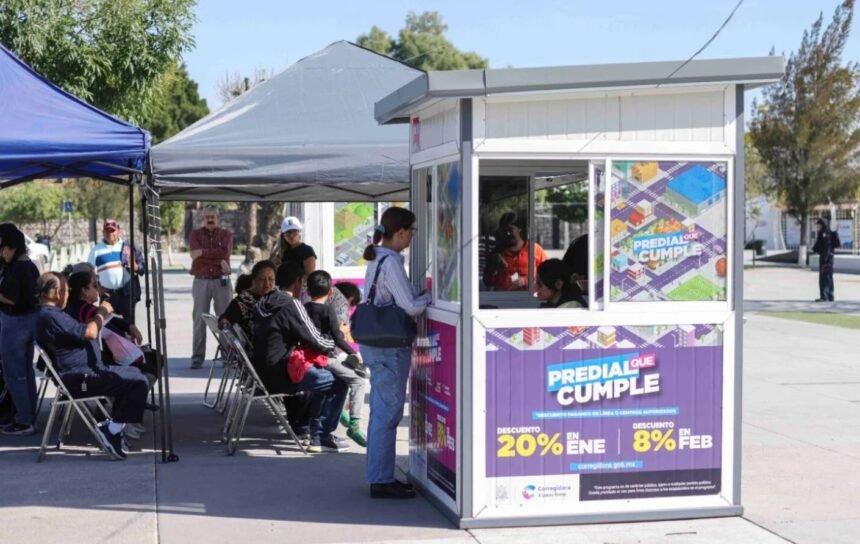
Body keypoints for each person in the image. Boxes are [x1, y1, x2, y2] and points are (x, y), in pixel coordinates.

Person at [34, 272, 149, 459]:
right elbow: (90, 332)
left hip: (86, 372)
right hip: (80, 379)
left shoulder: (51, 314)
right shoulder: (50, 316)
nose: (68, 295)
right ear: (56, 292)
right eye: (66, 291)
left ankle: (114, 428)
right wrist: (102, 311)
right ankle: (112, 430)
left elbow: (80, 331)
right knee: (138, 381)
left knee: (134, 375)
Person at [358, 207, 431, 499]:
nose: (412, 237)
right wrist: (429, 298)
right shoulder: (390, 262)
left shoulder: (377, 257)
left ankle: (380, 474)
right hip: (389, 349)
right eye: (411, 231)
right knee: (388, 415)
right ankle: (381, 480)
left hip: (376, 346)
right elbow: (410, 307)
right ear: (400, 232)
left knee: (381, 412)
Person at [252, 261, 349, 453]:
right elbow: (316, 339)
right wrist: (337, 344)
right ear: (297, 282)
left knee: (321, 375)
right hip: (281, 374)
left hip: (260, 373)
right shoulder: (292, 304)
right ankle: (322, 435)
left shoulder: (264, 302)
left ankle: (312, 431)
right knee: (338, 381)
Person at [63, 266, 151, 440]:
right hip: (85, 375)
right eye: (94, 285)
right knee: (139, 376)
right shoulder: (83, 311)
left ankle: (123, 415)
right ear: (84, 291)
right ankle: (120, 423)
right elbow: (100, 324)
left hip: (84, 368)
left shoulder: (75, 309)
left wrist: (126, 325)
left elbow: (110, 321)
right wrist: (104, 310)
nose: (99, 288)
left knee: (140, 371)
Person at [304, 270, 368, 447]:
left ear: (307, 291)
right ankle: (354, 424)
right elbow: (338, 338)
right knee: (358, 380)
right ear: (331, 292)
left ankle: (337, 419)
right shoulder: (328, 311)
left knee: (337, 381)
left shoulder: (302, 309)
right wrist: (353, 353)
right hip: (325, 358)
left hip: (306, 358)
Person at [0, 223, 41, 435]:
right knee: (25, 373)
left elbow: (11, 298)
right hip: (27, 322)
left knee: (15, 374)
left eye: (3, 248)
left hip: (15, 324)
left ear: (12, 247)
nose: (2, 253)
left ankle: (24, 420)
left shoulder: (17, 268)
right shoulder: (29, 265)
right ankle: (28, 416)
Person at [190, 206, 234, 369]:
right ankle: (197, 358)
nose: (210, 219)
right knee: (199, 320)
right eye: (207, 217)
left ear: (218, 218)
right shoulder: (195, 234)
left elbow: (224, 253)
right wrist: (218, 259)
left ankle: (227, 356)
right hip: (201, 280)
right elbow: (194, 254)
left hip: (221, 280)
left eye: (213, 217)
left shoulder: (226, 235)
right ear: (202, 219)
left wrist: (202, 253)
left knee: (225, 319)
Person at [87, 219, 145, 323]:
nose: (110, 234)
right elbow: (89, 273)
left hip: (126, 294)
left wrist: (136, 267)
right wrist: (97, 288)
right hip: (107, 296)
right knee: (107, 325)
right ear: (103, 232)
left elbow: (143, 267)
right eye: (107, 231)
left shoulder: (128, 247)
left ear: (118, 231)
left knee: (129, 325)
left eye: (112, 231)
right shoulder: (96, 250)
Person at [219, 260, 277, 343]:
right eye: (262, 279)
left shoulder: (279, 298)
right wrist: (225, 323)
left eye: (271, 279)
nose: (267, 284)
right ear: (254, 280)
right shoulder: (242, 301)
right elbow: (224, 320)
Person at [483, 218, 548, 291]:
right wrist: (493, 270)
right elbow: (487, 281)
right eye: (504, 230)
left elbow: (547, 277)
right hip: (503, 297)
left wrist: (525, 281)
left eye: (510, 230)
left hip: (529, 297)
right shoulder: (497, 253)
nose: (507, 233)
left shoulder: (535, 250)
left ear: (519, 229)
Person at [812, 218, 837, 302]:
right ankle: (830, 295)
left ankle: (824, 296)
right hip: (829, 257)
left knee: (824, 277)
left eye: (818, 225)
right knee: (829, 277)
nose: (817, 226)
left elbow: (827, 247)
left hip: (825, 258)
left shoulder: (824, 233)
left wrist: (824, 259)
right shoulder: (829, 232)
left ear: (821, 225)